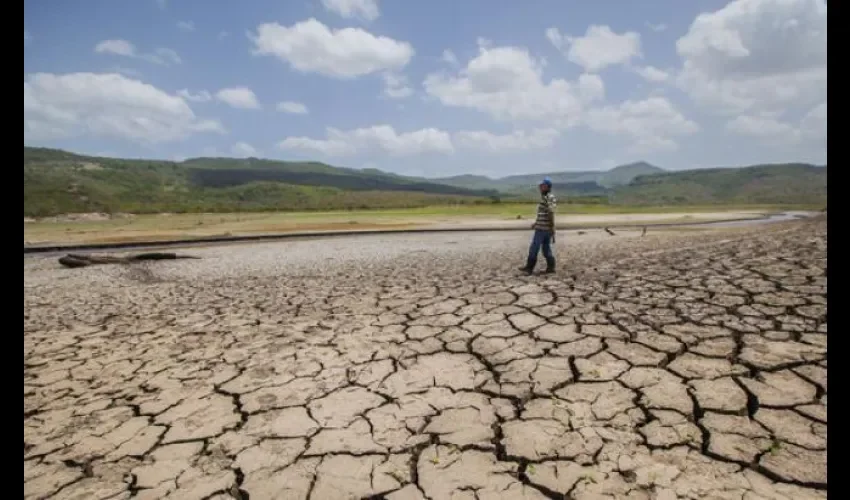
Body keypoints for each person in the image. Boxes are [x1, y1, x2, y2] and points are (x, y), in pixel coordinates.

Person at [519, 177, 557, 275]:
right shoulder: (545, 197)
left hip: (543, 229)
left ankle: (529, 268)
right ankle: (551, 267)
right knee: (545, 248)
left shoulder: (549, 197)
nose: (540, 187)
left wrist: (552, 227)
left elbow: (551, 212)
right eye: (540, 185)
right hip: (543, 227)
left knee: (534, 248)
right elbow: (543, 213)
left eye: (542, 185)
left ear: (548, 187)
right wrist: (536, 223)